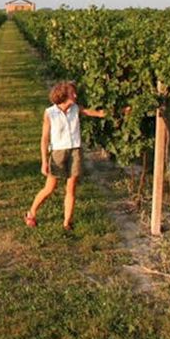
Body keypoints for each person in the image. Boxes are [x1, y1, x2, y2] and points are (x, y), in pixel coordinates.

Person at [24, 81, 107, 231]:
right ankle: (31, 212)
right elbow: (44, 138)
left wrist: (120, 111)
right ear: (63, 95)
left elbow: (97, 113)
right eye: (72, 93)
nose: (75, 95)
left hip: (75, 151)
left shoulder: (76, 109)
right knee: (50, 187)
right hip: (58, 153)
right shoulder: (50, 113)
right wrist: (44, 161)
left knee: (71, 188)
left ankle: (67, 222)